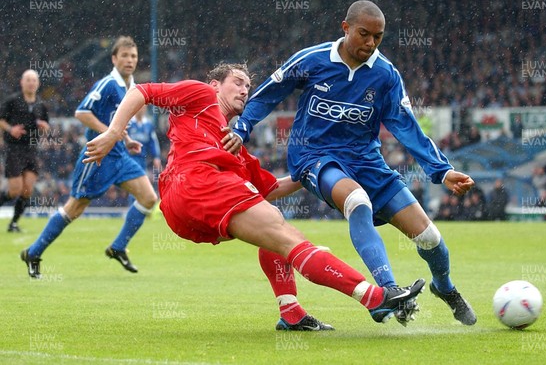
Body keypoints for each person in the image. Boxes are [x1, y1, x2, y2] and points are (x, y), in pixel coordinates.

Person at [82, 63, 426, 330]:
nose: (245, 90)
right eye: (238, 82)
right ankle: (375, 298)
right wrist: (114, 132)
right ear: (216, 84)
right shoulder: (201, 95)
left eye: (249, 85)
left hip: (184, 202)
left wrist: (320, 168)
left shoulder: (234, 145)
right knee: (288, 237)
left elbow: (271, 189)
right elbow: (142, 91)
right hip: (196, 182)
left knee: (275, 228)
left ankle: (290, 311)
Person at [231, 0, 477, 325]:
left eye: (378, 37)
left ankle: (444, 287)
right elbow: (268, 94)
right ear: (345, 28)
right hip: (314, 157)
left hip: (367, 162)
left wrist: (441, 170)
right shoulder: (313, 60)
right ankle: (389, 292)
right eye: (364, 34)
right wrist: (243, 126)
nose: (371, 43)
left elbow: (406, 126)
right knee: (357, 201)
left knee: (430, 238)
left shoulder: (386, 75)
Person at [20, 36, 158, 277]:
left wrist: (126, 140)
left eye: (133, 56)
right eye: (124, 56)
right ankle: (34, 251)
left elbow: (116, 121)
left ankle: (118, 247)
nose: (130, 60)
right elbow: (82, 112)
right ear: (114, 58)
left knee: (148, 198)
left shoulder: (130, 87)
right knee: (74, 208)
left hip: (119, 154)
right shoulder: (107, 84)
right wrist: (111, 133)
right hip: (97, 156)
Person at [0, 69, 50, 232]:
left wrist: (44, 127)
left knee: (27, 190)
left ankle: (13, 223)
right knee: (14, 190)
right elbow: (1, 120)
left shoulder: (41, 105)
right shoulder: (12, 101)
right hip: (14, 149)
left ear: (38, 84)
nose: (31, 83)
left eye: (33, 80)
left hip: (31, 149)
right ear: (22, 82)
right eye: (28, 80)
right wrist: (10, 129)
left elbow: (46, 127)